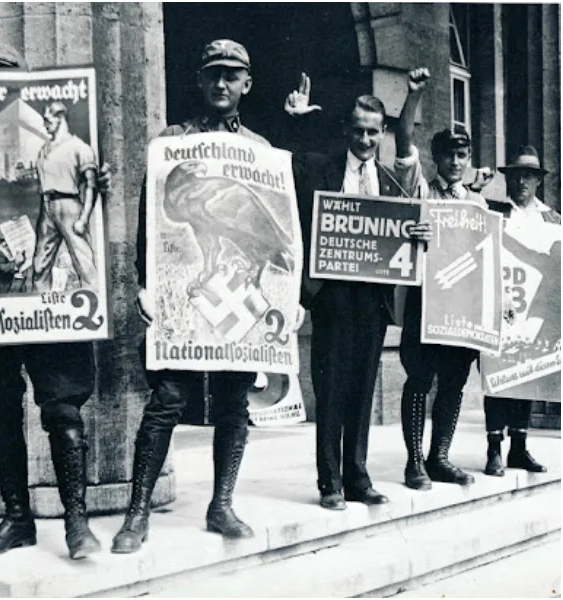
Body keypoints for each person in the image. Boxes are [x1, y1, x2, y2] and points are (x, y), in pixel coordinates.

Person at [115, 39, 282, 553]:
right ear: (199, 79)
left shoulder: (259, 149)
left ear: (246, 84)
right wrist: (145, 284)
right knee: (166, 399)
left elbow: (279, 225)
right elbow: (151, 220)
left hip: (235, 290)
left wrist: (282, 292)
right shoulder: (172, 143)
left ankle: (222, 504)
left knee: (234, 402)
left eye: (232, 75)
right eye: (213, 74)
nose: (221, 84)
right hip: (183, 295)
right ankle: (137, 511)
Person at [0, 42, 100, 561]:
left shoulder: (53, 137)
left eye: (1, 77)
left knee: (63, 405)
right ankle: (18, 518)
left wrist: (98, 186)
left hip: (45, 291)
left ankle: (76, 522)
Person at [284, 69, 433, 510]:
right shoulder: (320, 168)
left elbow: (408, 227)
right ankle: (329, 481)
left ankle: (358, 478)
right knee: (330, 390)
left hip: (372, 298)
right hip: (331, 295)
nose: (365, 140)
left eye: (373, 132)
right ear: (347, 130)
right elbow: (286, 166)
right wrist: (294, 120)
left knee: (363, 390)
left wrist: (419, 231)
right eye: (358, 131)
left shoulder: (389, 182)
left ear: (382, 133)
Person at [397, 115, 494, 490]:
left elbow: (486, 252)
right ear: (436, 158)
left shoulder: (477, 201)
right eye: (449, 155)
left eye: (462, 154)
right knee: (420, 379)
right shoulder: (424, 193)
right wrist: (413, 230)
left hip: (462, 308)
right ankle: (415, 461)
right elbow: (401, 229)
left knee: (453, 383)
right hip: (426, 303)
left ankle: (439, 457)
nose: (456, 161)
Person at [482, 145, 558, 477]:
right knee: (497, 375)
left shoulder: (552, 219)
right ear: (507, 179)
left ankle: (519, 447)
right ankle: (494, 448)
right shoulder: (493, 212)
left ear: (538, 180)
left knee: (527, 372)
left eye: (528, 175)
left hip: (534, 310)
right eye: (515, 176)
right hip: (500, 305)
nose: (522, 182)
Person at [31, 101, 99, 292]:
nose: (44, 125)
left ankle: (93, 304)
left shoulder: (79, 147)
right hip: (46, 206)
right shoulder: (44, 149)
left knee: (84, 263)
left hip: (69, 206)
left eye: (47, 120)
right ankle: (40, 309)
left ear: (60, 117)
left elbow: (91, 185)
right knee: (39, 266)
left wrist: (84, 219)